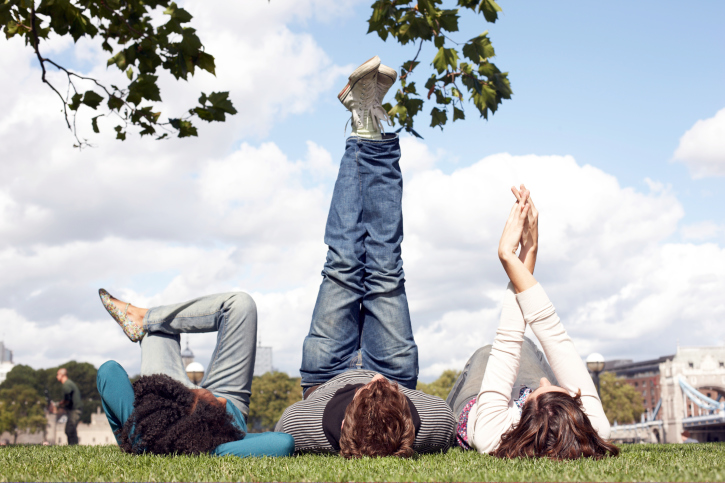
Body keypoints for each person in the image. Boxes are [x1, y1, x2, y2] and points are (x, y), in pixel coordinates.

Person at [274, 56, 456, 458]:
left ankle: (363, 121)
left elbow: (285, 423)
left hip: (325, 376)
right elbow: (446, 416)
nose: (367, 383)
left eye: (364, 394)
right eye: (379, 393)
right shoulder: (434, 424)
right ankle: (369, 123)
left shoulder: (303, 428)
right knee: (385, 264)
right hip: (396, 373)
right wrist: (392, 387)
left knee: (343, 260)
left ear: (344, 428)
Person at [446, 186, 620, 459]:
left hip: (476, 409)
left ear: (521, 416)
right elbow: (554, 336)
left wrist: (508, 254)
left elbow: (507, 338)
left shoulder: (493, 435)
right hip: (541, 408)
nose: (542, 378)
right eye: (552, 386)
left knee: (486, 353)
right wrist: (529, 249)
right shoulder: (594, 427)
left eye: (537, 390)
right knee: (527, 346)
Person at [95, 290, 294, 457]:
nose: (220, 402)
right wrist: (200, 443)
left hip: (166, 398)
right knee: (241, 304)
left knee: (158, 330)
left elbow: (108, 371)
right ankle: (146, 318)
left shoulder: (144, 437)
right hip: (224, 421)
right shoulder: (218, 444)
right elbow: (282, 443)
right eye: (214, 405)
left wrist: (181, 400)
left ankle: (143, 318)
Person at [55, 368, 82, 445]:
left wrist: (60, 404)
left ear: (62, 375)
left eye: (58, 374)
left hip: (75, 410)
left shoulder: (66, 384)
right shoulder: (69, 383)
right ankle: (73, 446)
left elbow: (67, 398)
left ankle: (73, 447)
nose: (57, 376)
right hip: (74, 410)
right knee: (70, 430)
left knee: (70, 429)